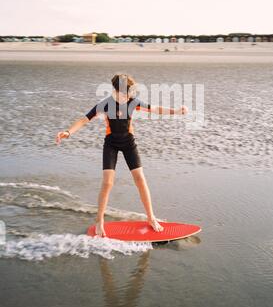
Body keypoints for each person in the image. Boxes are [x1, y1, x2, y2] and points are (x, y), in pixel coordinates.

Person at [56, 74, 188, 237]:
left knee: (140, 178)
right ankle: (99, 220)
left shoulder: (133, 102)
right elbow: (84, 119)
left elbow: (155, 109)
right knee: (107, 183)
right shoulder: (105, 104)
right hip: (111, 143)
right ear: (116, 91)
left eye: (130, 92)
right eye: (126, 92)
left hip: (128, 142)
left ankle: (151, 218)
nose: (129, 95)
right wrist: (68, 132)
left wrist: (176, 111)